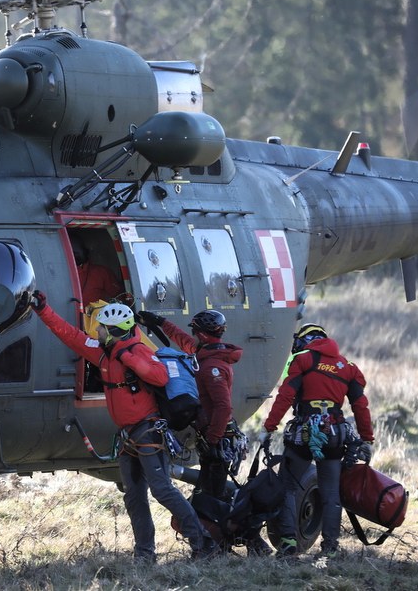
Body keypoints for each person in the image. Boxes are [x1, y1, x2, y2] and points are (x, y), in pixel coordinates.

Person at [30, 290, 217, 562]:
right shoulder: (103, 353)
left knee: (162, 489)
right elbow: (70, 335)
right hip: (128, 435)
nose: (97, 332)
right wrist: (43, 310)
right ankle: (144, 554)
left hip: (148, 430)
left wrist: (126, 355)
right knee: (134, 497)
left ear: (113, 330)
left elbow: (160, 375)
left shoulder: (133, 350)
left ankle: (203, 543)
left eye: (102, 328)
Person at [137, 309, 271, 556]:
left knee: (213, 499)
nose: (191, 336)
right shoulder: (207, 353)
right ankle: (232, 545)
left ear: (200, 333)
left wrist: (212, 439)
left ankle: (241, 545)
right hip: (215, 439)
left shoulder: (212, 366)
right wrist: (160, 322)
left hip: (218, 442)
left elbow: (223, 407)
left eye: (194, 331)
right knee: (211, 496)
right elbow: (184, 341)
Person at [259, 323, 375, 558]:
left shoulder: (302, 359)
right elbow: (361, 406)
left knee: (288, 487)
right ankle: (330, 548)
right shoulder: (348, 367)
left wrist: (269, 427)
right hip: (335, 435)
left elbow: (285, 396)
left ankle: (289, 543)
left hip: (303, 433)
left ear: (303, 341)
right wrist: (366, 438)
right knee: (331, 493)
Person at [71, 236, 121, 304]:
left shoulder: (102, 272)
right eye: (72, 252)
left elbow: (119, 297)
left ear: (85, 252)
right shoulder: (56, 274)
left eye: (76, 253)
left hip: (97, 313)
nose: (74, 255)